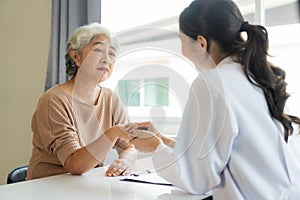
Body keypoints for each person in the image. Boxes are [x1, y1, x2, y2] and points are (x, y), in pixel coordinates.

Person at [125, 0, 300, 199]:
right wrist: (164, 141)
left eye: (181, 40)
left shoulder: (212, 83)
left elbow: (196, 179)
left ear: (201, 43)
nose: (181, 50)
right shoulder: (257, 75)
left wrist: (155, 148)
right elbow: (226, 151)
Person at [27, 22, 136, 180]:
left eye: (112, 54)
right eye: (98, 50)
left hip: (85, 184)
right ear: (76, 57)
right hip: (47, 188)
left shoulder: (111, 98)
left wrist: (125, 161)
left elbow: (130, 146)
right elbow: (74, 164)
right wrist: (112, 133)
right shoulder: (53, 100)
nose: (107, 59)